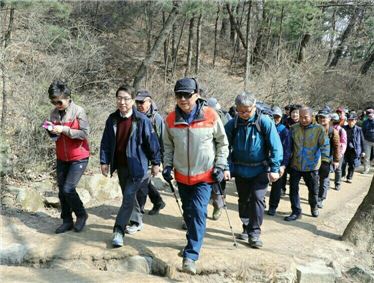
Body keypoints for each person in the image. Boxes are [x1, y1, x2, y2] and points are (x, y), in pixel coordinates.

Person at [162, 78, 229, 275]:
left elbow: (222, 143)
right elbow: (168, 146)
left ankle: (191, 255)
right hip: (182, 176)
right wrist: (167, 166)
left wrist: (220, 165)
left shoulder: (210, 115)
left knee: (199, 211)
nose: (183, 99)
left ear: (197, 95)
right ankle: (193, 240)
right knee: (189, 212)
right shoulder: (170, 119)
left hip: (205, 176)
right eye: (179, 95)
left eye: (187, 95)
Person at [100, 84, 161, 248]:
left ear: (132, 100)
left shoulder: (141, 120)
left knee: (127, 198)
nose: (122, 102)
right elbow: (106, 142)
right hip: (120, 166)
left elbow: (152, 142)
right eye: (119, 98)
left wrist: (156, 162)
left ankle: (118, 231)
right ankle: (137, 220)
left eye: (126, 98)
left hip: (137, 166)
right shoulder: (112, 119)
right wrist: (104, 161)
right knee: (130, 197)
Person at [225, 92, 283, 247]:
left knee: (257, 198)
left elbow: (276, 146)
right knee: (243, 201)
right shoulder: (233, 124)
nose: (244, 114)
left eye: (247, 110)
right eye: (240, 110)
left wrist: (275, 167)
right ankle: (246, 226)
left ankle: (255, 233)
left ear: (254, 107)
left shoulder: (264, 122)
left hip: (260, 169)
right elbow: (223, 147)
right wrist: (226, 166)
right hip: (240, 169)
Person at [46, 80, 90, 234]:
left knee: (68, 188)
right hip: (62, 157)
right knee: (61, 190)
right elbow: (54, 138)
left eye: (59, 101)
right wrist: (51, 130)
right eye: (53, 101)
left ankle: (81, 215)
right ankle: (66, 220)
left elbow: (84, 133)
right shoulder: (53, 113)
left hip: (79, 156)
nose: (56, 104)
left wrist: (64, 129)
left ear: (68, 97)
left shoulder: (79, 111)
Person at [284, 107, 330, 221]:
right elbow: (288, 147)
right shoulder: (293, 128)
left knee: (313, 190)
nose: (303, 120)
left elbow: (325, 146)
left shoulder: (319, 129)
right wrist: (285, 162)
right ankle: (296, 211)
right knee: (293, 190)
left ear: (311, 116)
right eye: (301, 117)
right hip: (295, 164)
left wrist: (325, 162)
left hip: (312, 166)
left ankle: (314, 206)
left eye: (305, 117)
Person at [133, 90, 166, 218]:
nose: (139, 104)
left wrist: (159, 161)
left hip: (150, 156)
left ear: (149, 102)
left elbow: (162, 140)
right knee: (144, 182)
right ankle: (158, 201)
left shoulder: (156, 119)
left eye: (142, 102)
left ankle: (138, 213)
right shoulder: (134, 115)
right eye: (137, 102)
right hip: (137, 155)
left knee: (142, 182)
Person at [206, 97, 231, 220]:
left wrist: (225, 166)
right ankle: (196, 214)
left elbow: (226, 144)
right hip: (203, 160)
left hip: (219, 160)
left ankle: (218, 206)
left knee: (217, 189)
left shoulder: (223, 120)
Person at [267, 106, 291, 216]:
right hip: (264, 161)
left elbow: (287, 149)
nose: (275, 119)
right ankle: (260, 203)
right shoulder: (264, 127)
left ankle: (273, 206)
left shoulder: (284, 130)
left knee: (277, 186)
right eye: (273, 116)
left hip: (278, 162)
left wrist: (283, 165)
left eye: (278, 117)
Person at [316, 110, 340, 208]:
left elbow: (336, 146)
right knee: (314, 179)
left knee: (324, 179)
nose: (322, 119)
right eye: (320, 117)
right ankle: (315, 196)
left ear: (329, 119)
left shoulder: (333, 131)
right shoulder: (314, 129)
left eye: (324, 117)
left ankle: (321, 198)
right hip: (314, 158)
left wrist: (336, 160)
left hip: (326, 159)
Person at [342, 112, 364, 183]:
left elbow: (362, 141)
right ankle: (342, 174)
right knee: (343, 163)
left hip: (354, 149)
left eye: (352, 120)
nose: (351, 122)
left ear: (355, 121)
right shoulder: (343, 128)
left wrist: (363, 151)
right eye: (349, 120)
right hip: (344, 149)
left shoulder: (359, 129)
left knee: (352, 164)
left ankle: (349, 177)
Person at [330, 113, 347, 190]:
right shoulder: (328, 129)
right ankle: (326, 184)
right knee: (327, 168)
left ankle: (337, 183)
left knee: (338, 169)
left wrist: (341, 153)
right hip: (329, 151)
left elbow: (343, 143)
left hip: (338, 152)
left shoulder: (341, 130)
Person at [362, 108, 374, 174]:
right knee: (366, 156)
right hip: (367, 141)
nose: (370, 115)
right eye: (368, 114)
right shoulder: (365, 122)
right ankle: (366, 169)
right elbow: (363, 132)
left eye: (371, 113)